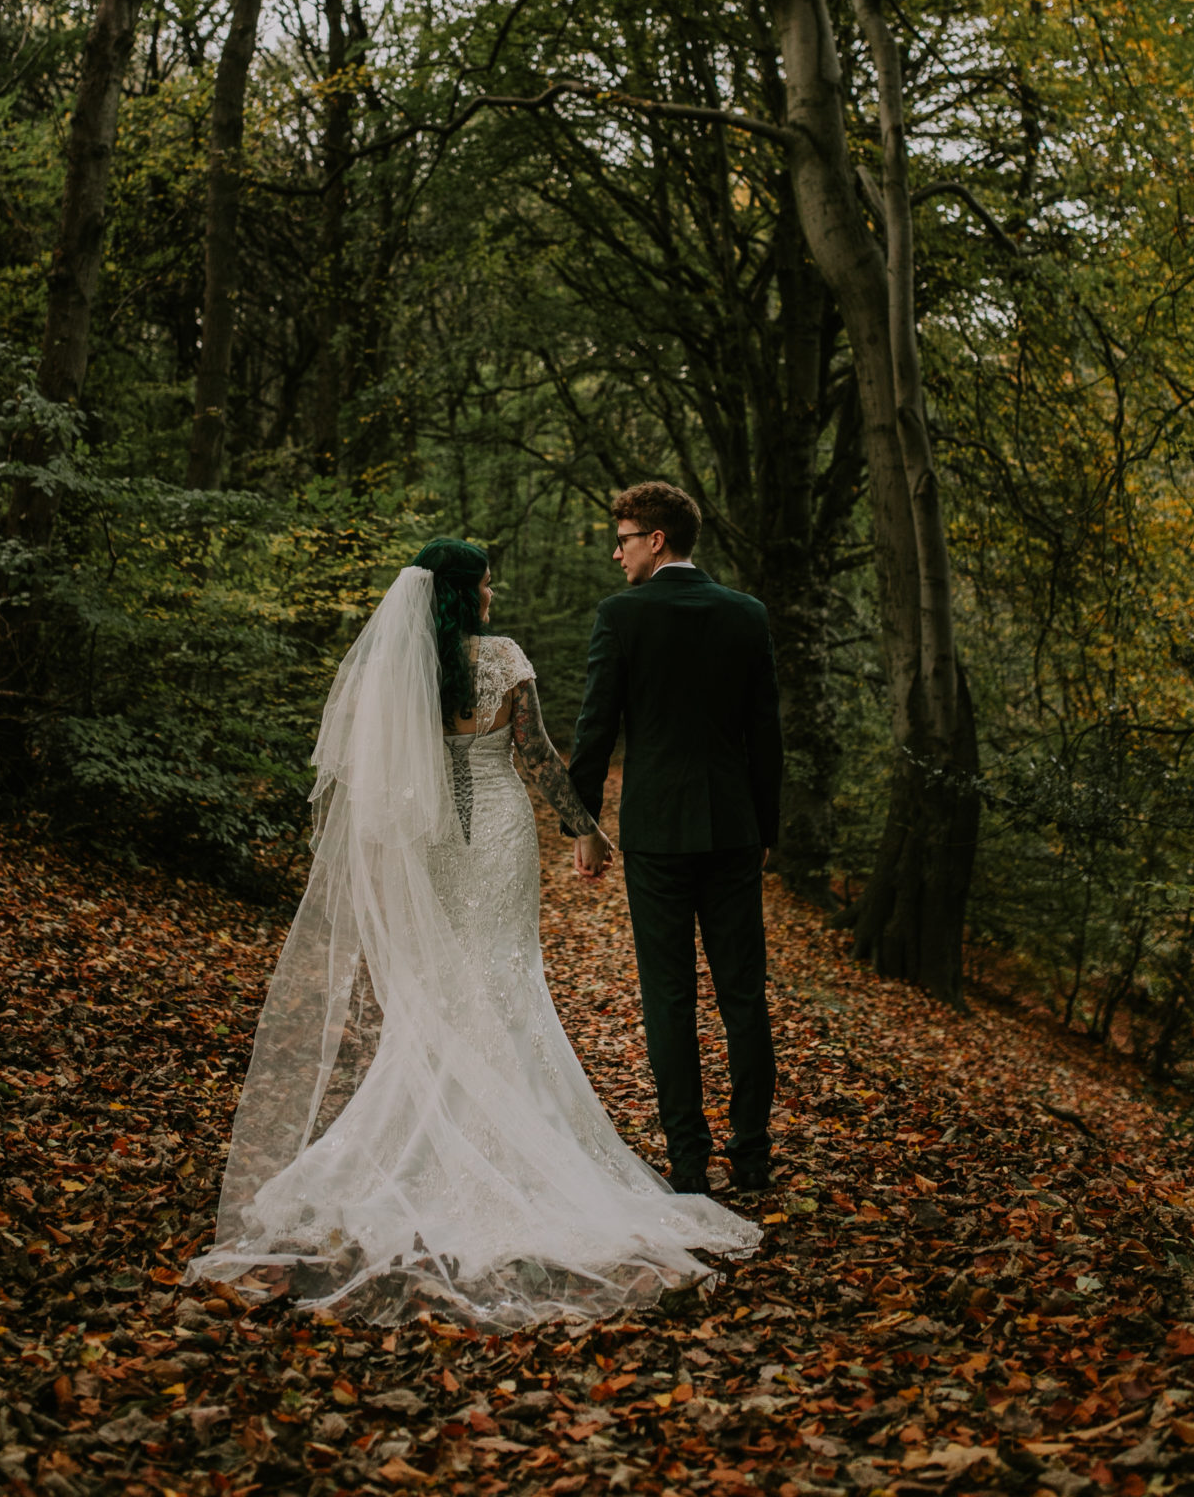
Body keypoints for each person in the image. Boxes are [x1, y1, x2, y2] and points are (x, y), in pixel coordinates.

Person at [188, 536, 758, 1330]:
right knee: (504, 976)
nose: (494, 594)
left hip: (428, 844)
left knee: (441, 985)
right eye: (487, 584)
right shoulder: (503, 658)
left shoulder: (400, 668)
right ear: (467, 592)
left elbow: (376, 773)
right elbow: (536, 755)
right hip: (495, 832)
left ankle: (434, 1142)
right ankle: (515, 1146)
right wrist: (584, 827)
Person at [568, 483, 783, 1196]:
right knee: (743, 995)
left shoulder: (621, 616)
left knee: (669, 996)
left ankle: (689, 1161)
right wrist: (766, 827)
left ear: (656, 539)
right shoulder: (746, 615)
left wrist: (584, 825)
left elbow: (596, 728)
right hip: (732, 828)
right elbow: (766, 735)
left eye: (624, 536)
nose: (617, 550)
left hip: (658, 831)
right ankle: (752, 1156)